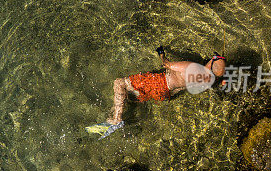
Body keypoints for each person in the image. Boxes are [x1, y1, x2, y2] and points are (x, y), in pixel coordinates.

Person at [87, 46, 226, 139]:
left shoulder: (193, 67)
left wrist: (162, 54)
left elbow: (167, 64)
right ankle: (116, 114)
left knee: (119, 83)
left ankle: (117, 119)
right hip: (165, 94)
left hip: (159, 83)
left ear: (212, 60)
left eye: (215, 57)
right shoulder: (209, 80)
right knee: (131, 95)